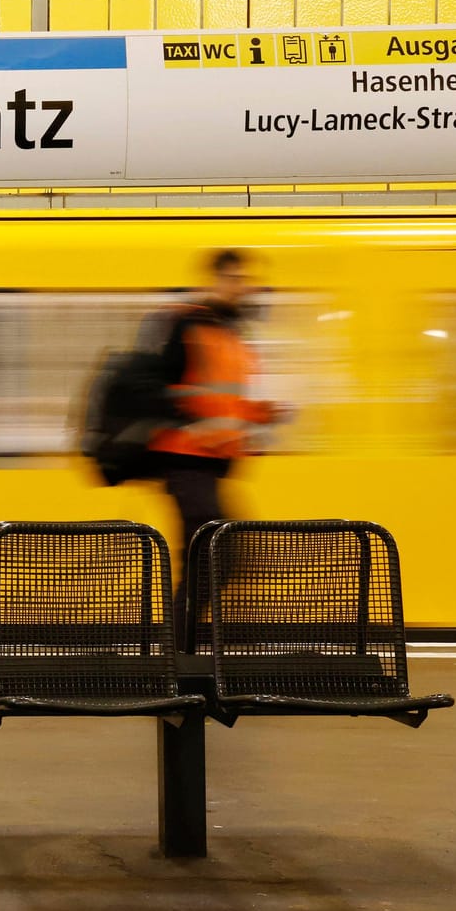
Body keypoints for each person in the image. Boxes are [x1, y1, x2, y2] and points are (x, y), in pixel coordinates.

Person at [147, 249, 286, 640]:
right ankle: (178, 650)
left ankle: (182, 648)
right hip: (184, 459)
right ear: (216, 280)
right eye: (238, 279)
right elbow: (159, 388)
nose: (246, 288)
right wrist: (195, 423)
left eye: (249, 281)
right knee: (213, 552)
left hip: (210, 464)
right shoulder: (187, 324)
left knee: (213, 555)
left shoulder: (230, 332)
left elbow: (225, 398)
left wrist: (260, 413)